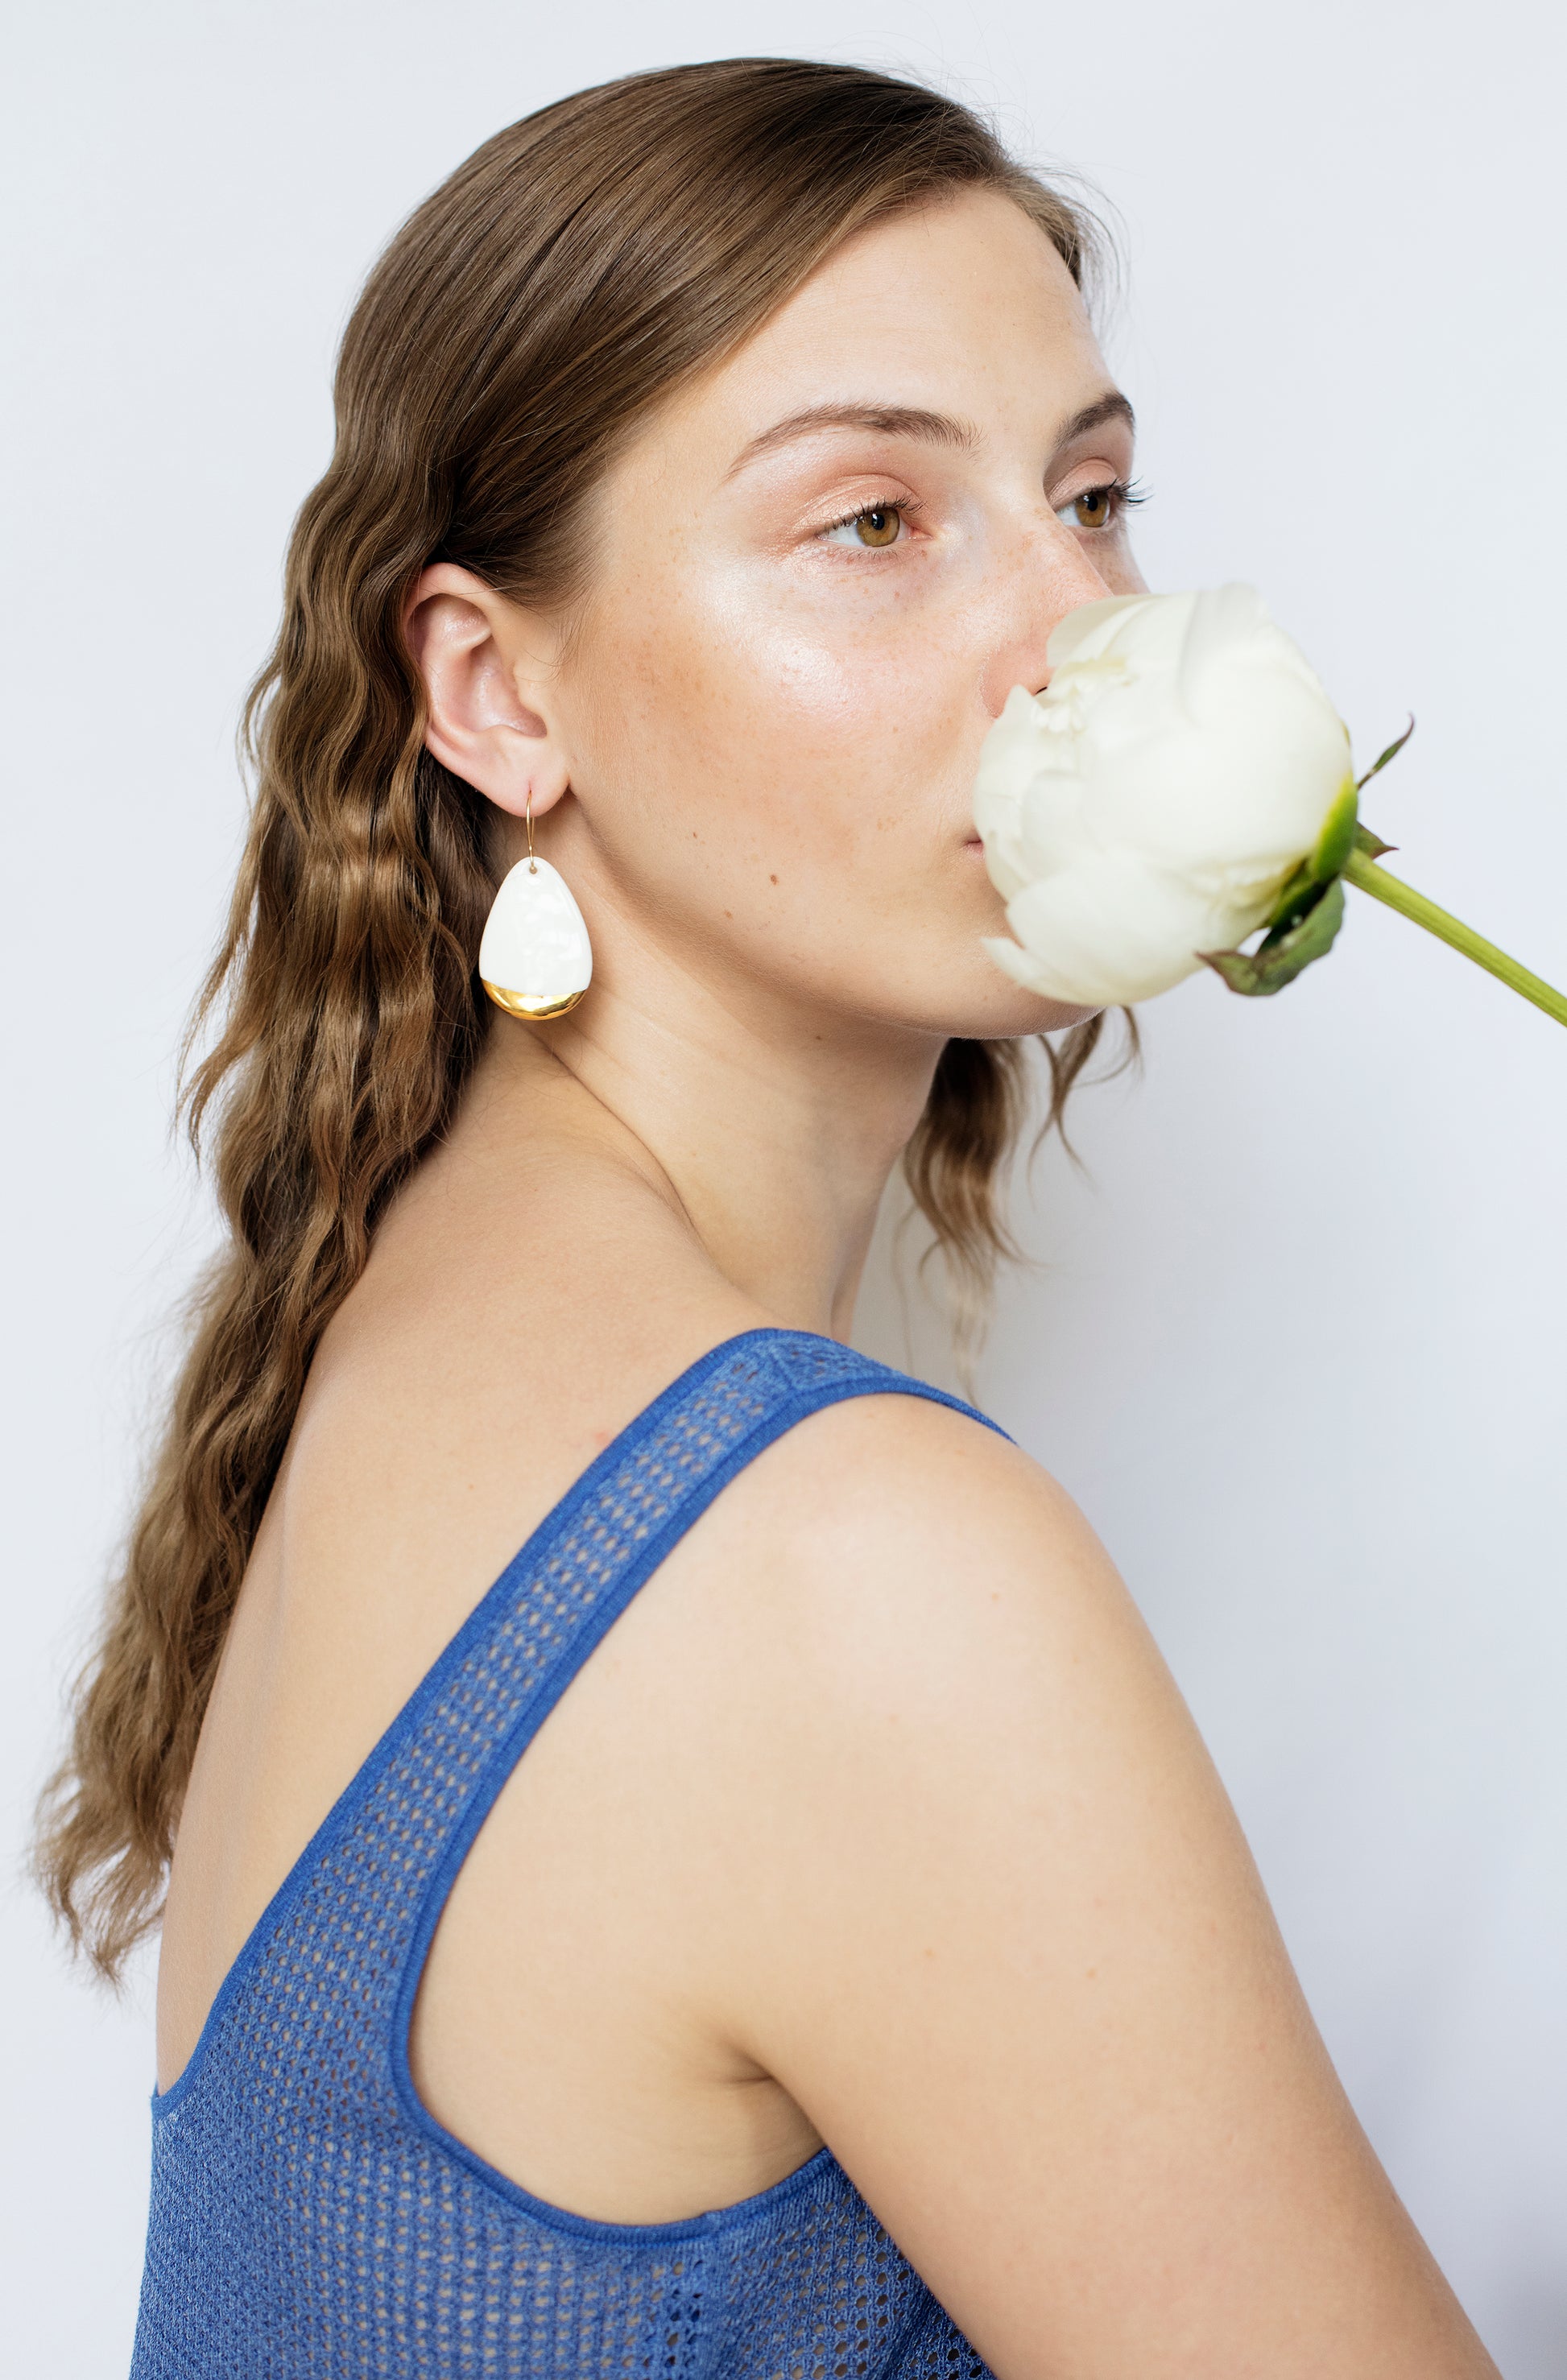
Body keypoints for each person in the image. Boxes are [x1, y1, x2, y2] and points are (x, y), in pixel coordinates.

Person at [36, 56, 1500, 2380]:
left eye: (1092, 496)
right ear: (497, 690)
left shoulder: (415, 1319)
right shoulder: (834, 1552)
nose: (1077, 634)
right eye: (874, 523)